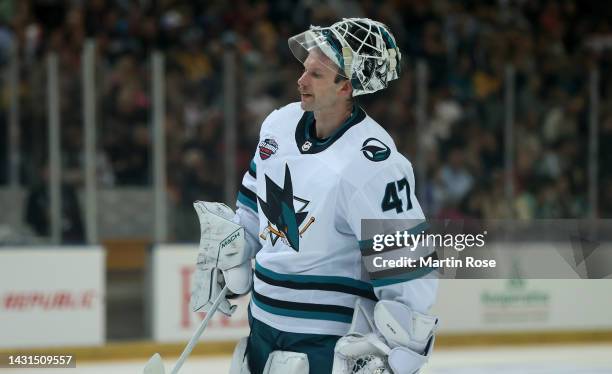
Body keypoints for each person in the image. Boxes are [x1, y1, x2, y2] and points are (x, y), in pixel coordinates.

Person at [191, 18, 438, 374]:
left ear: (347, 88)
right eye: (304, 69)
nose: (301, 81)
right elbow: (251, 209)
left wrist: (397, 354)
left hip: (327, 340)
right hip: (261, 324)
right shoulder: (277, 126)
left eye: (317, 75)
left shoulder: (375, 165)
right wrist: (231, 254)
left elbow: (409, 270)